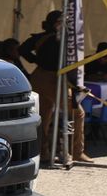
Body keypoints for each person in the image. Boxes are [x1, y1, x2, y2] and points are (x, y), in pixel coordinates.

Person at [19, 10, 89, 164]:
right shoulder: (61, 39)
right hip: (55, 79)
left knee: (43, 117)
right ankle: (77, 152)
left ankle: (42, 152)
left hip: (38, 77)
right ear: (57, 23)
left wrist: (36, 60)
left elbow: (22, 49)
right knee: (77, 113)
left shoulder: (40, 37)